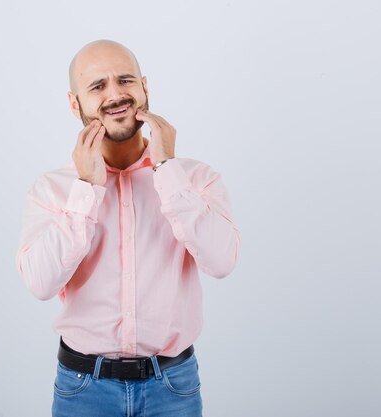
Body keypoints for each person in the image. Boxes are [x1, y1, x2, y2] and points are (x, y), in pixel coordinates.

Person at [16, 39, 241, 417]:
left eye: (125, 80)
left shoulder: (196, 179)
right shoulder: (52, 190)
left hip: (173, 387)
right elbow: (40, 283)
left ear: (145, 88)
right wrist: (86, 190)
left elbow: (222, 262)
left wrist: (167, 171)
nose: (116, 94)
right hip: (83, 389)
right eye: (97, 86)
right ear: (75, 104)